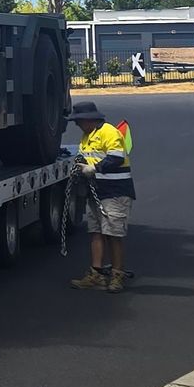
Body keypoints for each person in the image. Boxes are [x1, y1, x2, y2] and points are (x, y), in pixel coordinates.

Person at [70, 99, 135, 291]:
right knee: (96, 232)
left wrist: (94, 168)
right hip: (97, 192)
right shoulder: (87, 136)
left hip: (115, 192)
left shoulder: (108, 132)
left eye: (78, 121)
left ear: (89, 119)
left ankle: (117, 275)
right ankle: (96, 274)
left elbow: (116, 158)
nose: (77, 125)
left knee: (113, 234)